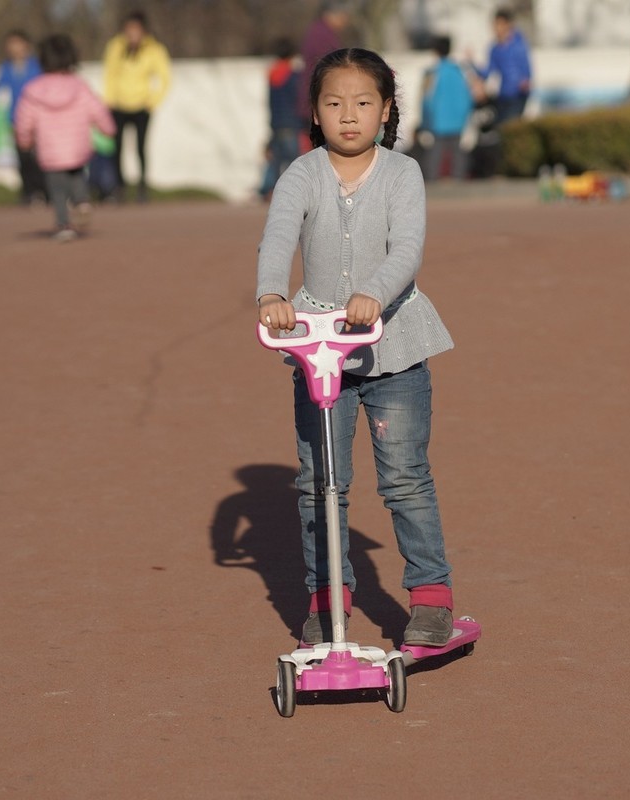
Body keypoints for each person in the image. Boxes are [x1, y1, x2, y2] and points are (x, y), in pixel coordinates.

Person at [256, 48, 460, 648]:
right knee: (321, 480)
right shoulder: (301, 173)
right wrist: (271, 293)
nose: (349, 115)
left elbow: (407, 250)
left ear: (386, 110)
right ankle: (327, 596)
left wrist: (373, 292)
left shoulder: (402, 174)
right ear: (315, 113)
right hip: (319, 349)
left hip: (390, 345)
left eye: (364, 103)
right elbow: (277, 237)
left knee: (404, 478)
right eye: (334, 103)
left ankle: (430, 595)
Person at [15, 34, 116, 242]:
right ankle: (82, 201)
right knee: (77, 175)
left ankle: (64, 225)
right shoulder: (79, 86)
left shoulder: (33, 90)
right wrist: (108, 128)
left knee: (57, 189)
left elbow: (23, 119)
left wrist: (24, 140)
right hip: (77, 146)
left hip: (50, 150)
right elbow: (97, 110)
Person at [103, 11, 171, 202]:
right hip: (118, 106)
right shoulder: (115, 46)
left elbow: (165, 78)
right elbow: (109, 74)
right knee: (117, 148)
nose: (131, 34)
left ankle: (142, 186)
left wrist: (152, 102)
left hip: (142, 106)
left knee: (141, 148)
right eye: (128, 30)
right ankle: (119, 186)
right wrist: (109, 99)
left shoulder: (155, 49)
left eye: (135, 30)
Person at [0, 30, 46, 204]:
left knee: (40, 157)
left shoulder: (36, 66)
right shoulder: (6, 68)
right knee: (22, 157)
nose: (14, 48)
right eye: (11, 44)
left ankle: (43, 190)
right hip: (16, 119)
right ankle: (29, 192)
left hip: (37, 118)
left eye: (17, 43)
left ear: (26, 45)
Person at [419, 36, 474, 181]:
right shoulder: (459, 71)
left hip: (438, 120)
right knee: (457, 153)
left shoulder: (432, 72)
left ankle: (431, 182)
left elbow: (426, 98)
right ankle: (459, 181)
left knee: (435, 154)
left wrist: (425, 120)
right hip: (458, 121)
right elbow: (468, 95)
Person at [470, 8, 532, 123]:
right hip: (502, 96)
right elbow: (488, 71)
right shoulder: (494, 48)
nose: (496, 28)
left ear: (508, 25)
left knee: (510, 126)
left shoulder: (519, 45)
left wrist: (524, 85)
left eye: (499, 24)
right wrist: (472, 64)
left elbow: (526, 71)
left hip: (517, 96)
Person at [259, 37, 303, 200]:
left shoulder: (272, 74)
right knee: (294, 161)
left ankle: (268, 189)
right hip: (291, 123)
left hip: (276, 123)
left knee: (276, 159)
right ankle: (296, 191)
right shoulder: (293, 76)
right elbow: (298, 100)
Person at [297, 0, 352, 128]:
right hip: (320, 98)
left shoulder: (320, 31)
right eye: (343, 16)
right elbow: (331, 67)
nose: (345, 21)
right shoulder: (322, 35)